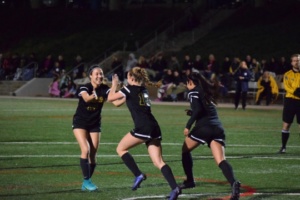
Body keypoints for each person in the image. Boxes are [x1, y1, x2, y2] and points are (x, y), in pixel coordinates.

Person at [107, 67, 181, 200]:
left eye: (128, 77)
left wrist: (114, 85)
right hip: (154, 126)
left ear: (131, 78)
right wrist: (119, 91)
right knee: (158, 162)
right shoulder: (143, 90)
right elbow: (117, 103)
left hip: (143, 127)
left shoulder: (129, 89)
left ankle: (138, 174)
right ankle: (175, 188)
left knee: (120, 148)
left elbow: (110, 98)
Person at [179, 72, 241, 200]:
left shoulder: (193, 92)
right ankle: (234, 183)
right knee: (220, 159)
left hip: (204, 127)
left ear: (191, 82)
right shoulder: (205, 92)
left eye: (187, 82)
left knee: (185, 150)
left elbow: (198, 110)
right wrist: (192, 112)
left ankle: (190, 180)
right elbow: (202, 109)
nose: (186, 85)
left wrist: (188, 125)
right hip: (217, 127)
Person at [72, 65, 119, 191]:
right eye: (97, 74)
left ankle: (86, 181)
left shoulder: (105, 89)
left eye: (101, 74)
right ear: (90, 76)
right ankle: (87, 181)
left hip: (95, 124)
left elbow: (115, 102)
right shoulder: (84, 87)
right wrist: (94, 96)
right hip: (80, 123)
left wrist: (127, 96)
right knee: (85, 150)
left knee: (93, 154)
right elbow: (86, 98)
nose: (99, 76)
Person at [278, 54, 300, 153]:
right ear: (291, 62)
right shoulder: (287, 74)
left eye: (298, 60)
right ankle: (283, 147)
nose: (297, 62)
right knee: (286, 125)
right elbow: (287, 87)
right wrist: (295, 92)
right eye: (295, 60)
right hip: (290, 101)